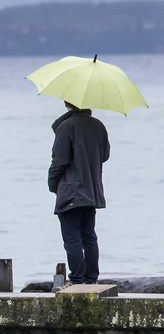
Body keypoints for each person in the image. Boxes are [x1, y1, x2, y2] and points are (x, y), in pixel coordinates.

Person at [49, 100, 111, 286]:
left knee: (72, 238)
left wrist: (53, 185)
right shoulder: (98, 125)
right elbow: (105, 155)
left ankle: (76, 279)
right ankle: (91, 279)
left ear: (66, 103)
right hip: (92, 190)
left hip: (71, 192)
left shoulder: (66, 126)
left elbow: (58, 161)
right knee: (89, 236)